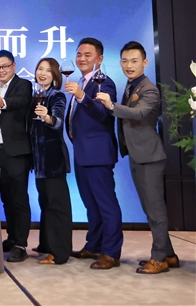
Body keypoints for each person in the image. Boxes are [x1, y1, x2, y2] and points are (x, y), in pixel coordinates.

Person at [96, 41, 179, 274]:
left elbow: (139, 113)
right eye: (124, 61)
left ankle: (159, 258)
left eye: (134, 61)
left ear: (145, 62)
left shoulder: (149, 89)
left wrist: (111, 106)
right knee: (149, 208)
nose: (128, 65)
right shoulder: (132, 85)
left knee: (155, 210)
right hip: (138, 155)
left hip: (150, 157)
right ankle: (169, 255)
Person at [65, 37, 122, 270]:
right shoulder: (82, 81)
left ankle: (111, 252)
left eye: (87, 55)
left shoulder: (103, 83)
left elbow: (101, 113)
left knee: (106, 204)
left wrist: (81, 95)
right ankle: (94, 245)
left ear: (100, 58)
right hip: (82, 152)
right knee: (91, 204)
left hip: (98, 154)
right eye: (79, 54)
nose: (81, 59)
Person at [0, 49, 32, 262]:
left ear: (13, 66)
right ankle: (12, 238)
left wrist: (2, 103)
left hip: (16, 152)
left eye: (5, 66)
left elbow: (21, 101)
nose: (1, 70)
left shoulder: (23, 85)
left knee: (19, 198)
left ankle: (21, 244)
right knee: (6, 198)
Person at [30, 58, 72, 265]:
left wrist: (47, 117)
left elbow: (58, 122)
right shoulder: (35, 96)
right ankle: (47, 245)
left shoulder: (57, 96)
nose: (42, 73)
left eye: (48, 70)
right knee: (45, 203)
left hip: (53, 159)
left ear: (55, 75)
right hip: (39, 162)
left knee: (57, 206)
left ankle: (60, 253)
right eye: (40, 69)